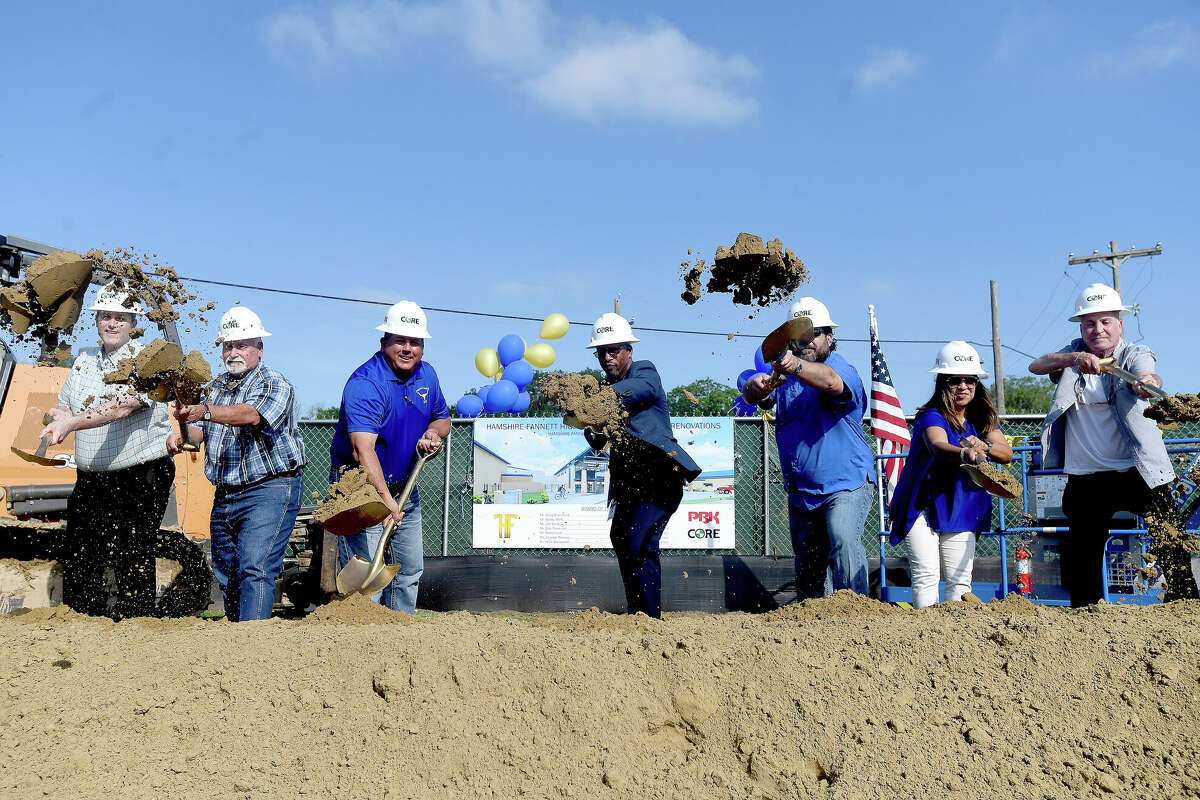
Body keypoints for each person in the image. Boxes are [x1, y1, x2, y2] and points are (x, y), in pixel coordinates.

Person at [1029, 283, 1173, 607]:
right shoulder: (1071, 357)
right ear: (1082, 328)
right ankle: (1086, 618)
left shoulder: (1133, 353)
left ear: (1120, 324)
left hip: (1136, 471)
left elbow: (1149, 373)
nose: (1099, 330)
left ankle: (1184, 601)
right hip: (1086, 475)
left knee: (1170, 537)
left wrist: (1147, 383)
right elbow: (1036, 365)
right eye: (1090, 324)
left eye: (1106, 321)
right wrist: (1075, 357)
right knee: (1081, 552)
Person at [40, 284, 174, 620]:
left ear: (133, 323)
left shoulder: (147, 361)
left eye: (120, 317)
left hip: (139, 475)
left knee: (132, 553)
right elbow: (65, 405)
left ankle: (135, 626)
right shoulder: (84, 360)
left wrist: (69, 424)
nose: (111, 323)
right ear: (96, 320)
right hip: (92, 477)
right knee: (82, 552)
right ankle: (85, 623)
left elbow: (121, 408)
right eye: (105, 316)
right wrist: (58, 416)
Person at [169, 306, 306, 621]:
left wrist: (203, 410)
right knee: (226, 570)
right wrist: (181, 434)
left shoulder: (274, 382)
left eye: (242, 344)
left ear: (259, 348)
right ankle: (236, 640)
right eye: (228, 345)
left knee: (254, 568)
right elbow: (198, 434)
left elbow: (250, 415)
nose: (234, 352)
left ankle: (252, 647)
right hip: (226, 493)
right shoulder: (215, 387)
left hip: (269, 489)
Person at [741, 297, 873, 600]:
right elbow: (751, 395)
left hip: (845, 485)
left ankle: (860, 614)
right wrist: (756, 387)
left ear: (829, 337)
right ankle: (814, 631)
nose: (808, 341)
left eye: (815, 333)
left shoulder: (838, 366)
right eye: (801, 335)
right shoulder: (786, 377)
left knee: (842, 536)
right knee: (810, 570)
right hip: (802, 494)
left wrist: (797, 365)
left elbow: (831, 383)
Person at [573, 312, 701, 618]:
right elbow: (598, 439)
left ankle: (649, 618)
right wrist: (590, 426)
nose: (606, 356)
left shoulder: (645, 371)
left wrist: (595, 400)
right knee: (621, 536)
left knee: (639, 539)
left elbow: (639, 390)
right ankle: (637, 614)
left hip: (659, 477)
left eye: (613, 349)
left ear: (629, 349)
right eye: (601, 351)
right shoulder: (605, 391)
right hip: (630, 481)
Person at [329, 301, 449, 613]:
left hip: (405, 486)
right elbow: (361, 449)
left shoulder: (428, 376)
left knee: (408, 571)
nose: (408, 348)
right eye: (400, 340)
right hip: (362, 492)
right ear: (384, 342)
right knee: (369, 579)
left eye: (415, 342)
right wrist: (384, 502)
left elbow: (442, 418)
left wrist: (434, 433)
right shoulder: (366, 383)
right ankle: (364, 644)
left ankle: (401, 636)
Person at [888, 342, 1013, 609]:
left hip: (962, 504)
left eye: (970, 379)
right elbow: (938, 444)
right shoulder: (931, 415)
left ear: (977, 383)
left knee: (959, 580)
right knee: (926, 575)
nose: (963, 386)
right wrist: (964, 453)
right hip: (921, 503)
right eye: (955, 380)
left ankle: (955, 641)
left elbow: (1006, 453)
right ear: (942, 382)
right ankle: (927, 638)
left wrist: (985, 445)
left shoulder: (982, 417)